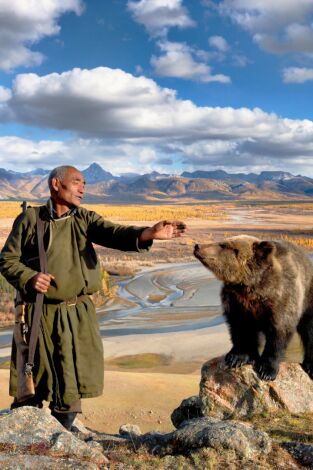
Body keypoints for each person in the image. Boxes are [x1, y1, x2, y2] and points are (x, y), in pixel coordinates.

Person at [0, 165, 186, 430]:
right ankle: (26, 440)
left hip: (77, 315)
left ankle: (62, 437)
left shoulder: (85, 219)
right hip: (39, 313)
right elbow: (7, 259)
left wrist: (148, 234)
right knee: (33, 383)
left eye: (84, 183)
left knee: (70, 382)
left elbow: (114, 233)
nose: (82, 189)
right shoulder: (31, 220)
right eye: (76, 182)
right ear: (56, 184)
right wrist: (29, 277)